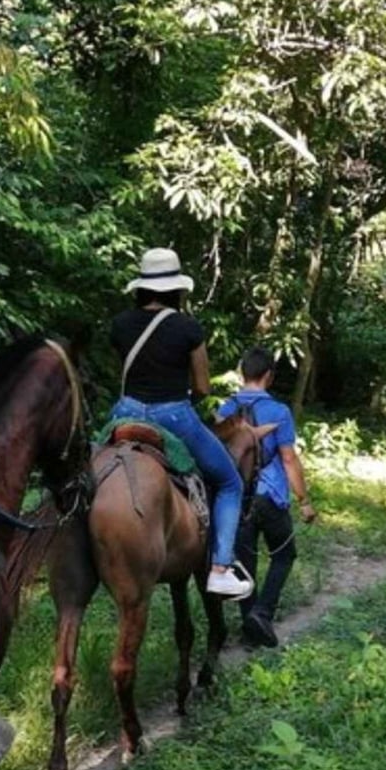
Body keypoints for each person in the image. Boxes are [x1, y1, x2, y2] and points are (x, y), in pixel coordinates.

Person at [107, 248, 253, 599]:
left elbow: (127, 373)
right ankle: (219, 569)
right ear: (176, 289)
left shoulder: (120, 325)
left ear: (141, 287)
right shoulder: (188, 328)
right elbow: (202, 387)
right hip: (172, 414)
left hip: (123, 412)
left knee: (89, 473)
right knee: (230, 481)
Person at [217, 346, 317, 647]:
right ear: (269, 377)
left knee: (245, 564)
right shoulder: (279, 412)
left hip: (237, 499)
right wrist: (304, 500)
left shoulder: (225, 410)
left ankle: (251, 626)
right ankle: (262, 613)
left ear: (242, 374)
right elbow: (288, 458)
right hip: (270, 496)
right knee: (284, 554)